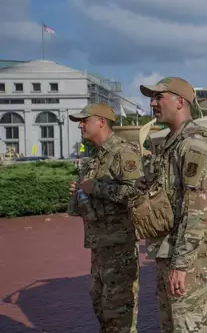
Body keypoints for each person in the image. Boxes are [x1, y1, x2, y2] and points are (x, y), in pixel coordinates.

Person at [139, 77, 207, 333]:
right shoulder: (171, 144)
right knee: (173, 325)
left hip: (191, 258)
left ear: (180, 102)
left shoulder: (195, 145)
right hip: (171, 251)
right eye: (152, 98)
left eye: (159, 97)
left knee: (190, 326)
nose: (152, 103)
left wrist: (181, 263)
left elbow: (198, 211)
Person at [67, 103, 143, 333]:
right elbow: (86, 199)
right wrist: (78, 193)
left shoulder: (123, 152)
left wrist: (95, 188)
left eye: (84, 120)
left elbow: (136, 193)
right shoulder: (94, 156)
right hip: (100, 246)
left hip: (119, 246)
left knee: (118, 315)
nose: (80, 125)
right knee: (101, 307)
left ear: (101, 121)